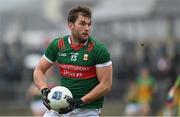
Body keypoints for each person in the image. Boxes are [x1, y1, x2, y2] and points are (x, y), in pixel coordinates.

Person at [33, 6, 113, 117]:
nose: (87, 28)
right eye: (82, 23)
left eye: (89, 24)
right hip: (60, 107)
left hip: (87, 110)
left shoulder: (98, 50)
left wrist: (81, 101)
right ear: (70, 25)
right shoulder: (58, 45)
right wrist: (44, 90)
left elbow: (106, 85)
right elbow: (39, 70)